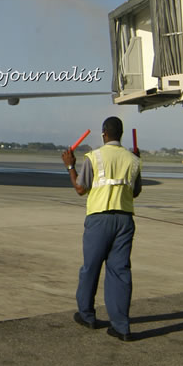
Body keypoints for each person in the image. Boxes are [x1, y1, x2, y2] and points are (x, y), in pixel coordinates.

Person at [61, 116, 142, 341]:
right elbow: (135, 192)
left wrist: (69, 166)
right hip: (124, 220)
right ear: (121, 135)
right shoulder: (133, 160)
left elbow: (80, 189)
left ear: (104, 134)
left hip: (99, 219)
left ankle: (87, 315)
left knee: (91, 268)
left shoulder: (94, 157)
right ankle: (121, 327)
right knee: (120, 272)